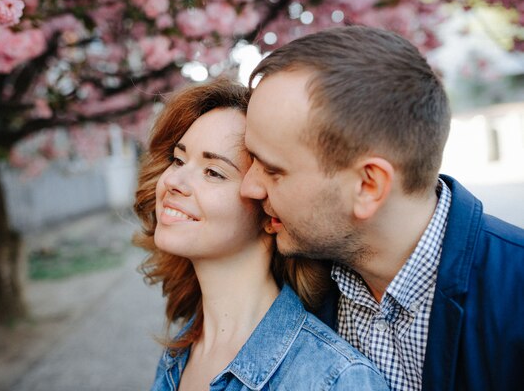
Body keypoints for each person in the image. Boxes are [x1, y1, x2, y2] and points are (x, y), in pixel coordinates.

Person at [240, 25, 524, 391]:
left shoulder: (515, 297)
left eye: (273, 170)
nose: (249, 187)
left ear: (368, 185)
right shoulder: (284, 278)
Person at [133, 77, 389, 390]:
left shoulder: (336, 379)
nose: (174, 181)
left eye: (214, 172)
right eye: (178, 159)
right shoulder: (182, 351)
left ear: (269, 209)